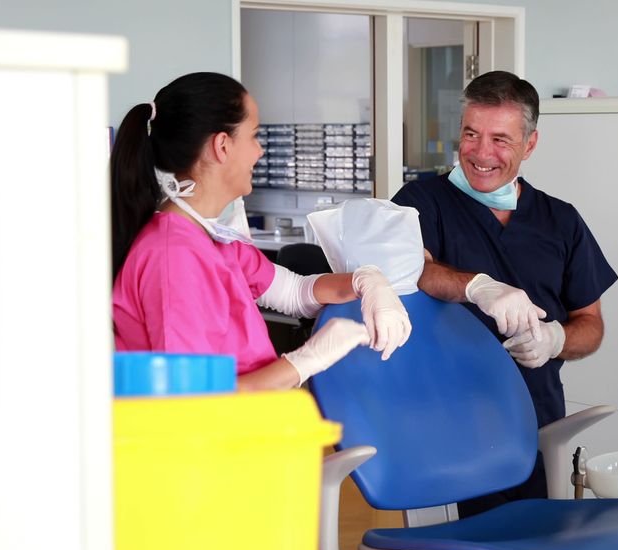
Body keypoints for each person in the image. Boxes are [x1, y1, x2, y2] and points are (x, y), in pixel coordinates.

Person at [391, 71, 617, 516]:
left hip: (536, 420)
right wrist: (476, 286)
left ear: (529, 145)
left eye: (500, 139)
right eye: (471, 134)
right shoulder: (421, 201)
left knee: (535, 542)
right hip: (445, 419)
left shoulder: (560, 220)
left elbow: (590, 324)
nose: (480, 152)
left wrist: (556, 340)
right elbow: (413, 269)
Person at [111, 72, 411, 391]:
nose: (260, 152)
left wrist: (367, 280)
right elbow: (194, 400)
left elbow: (296, 293)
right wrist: (305, 360)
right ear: (222, 146)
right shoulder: (173, 256)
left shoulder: (214, 240)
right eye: (254, 136)